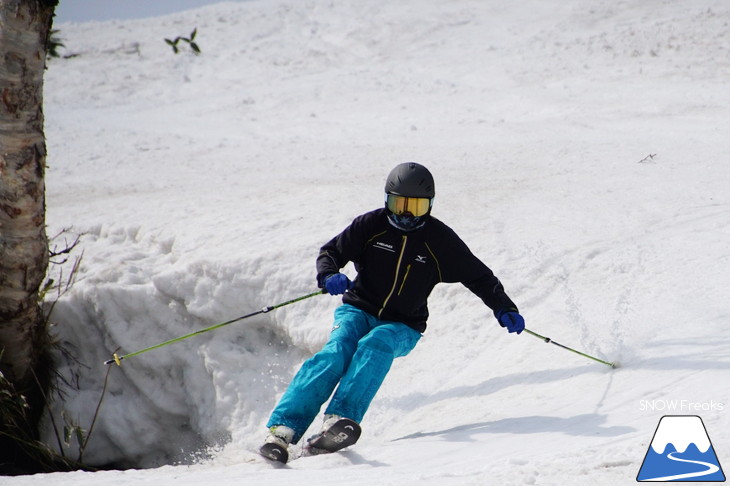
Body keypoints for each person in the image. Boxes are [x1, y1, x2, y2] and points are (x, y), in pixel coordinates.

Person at [260, 162, 524, 461]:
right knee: (336, 352)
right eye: (400, 204)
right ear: (387, 200)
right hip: (358, 310)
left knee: (377, 344)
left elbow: (480, 277)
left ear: (430, 205)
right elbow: (331, 252)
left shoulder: (440, 240)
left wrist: (504, 308)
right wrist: (329, 274)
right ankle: (283, 430)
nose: (407, 214)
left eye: (417, 206)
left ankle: (338, 421)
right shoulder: (371, 226)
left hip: (404, 325)